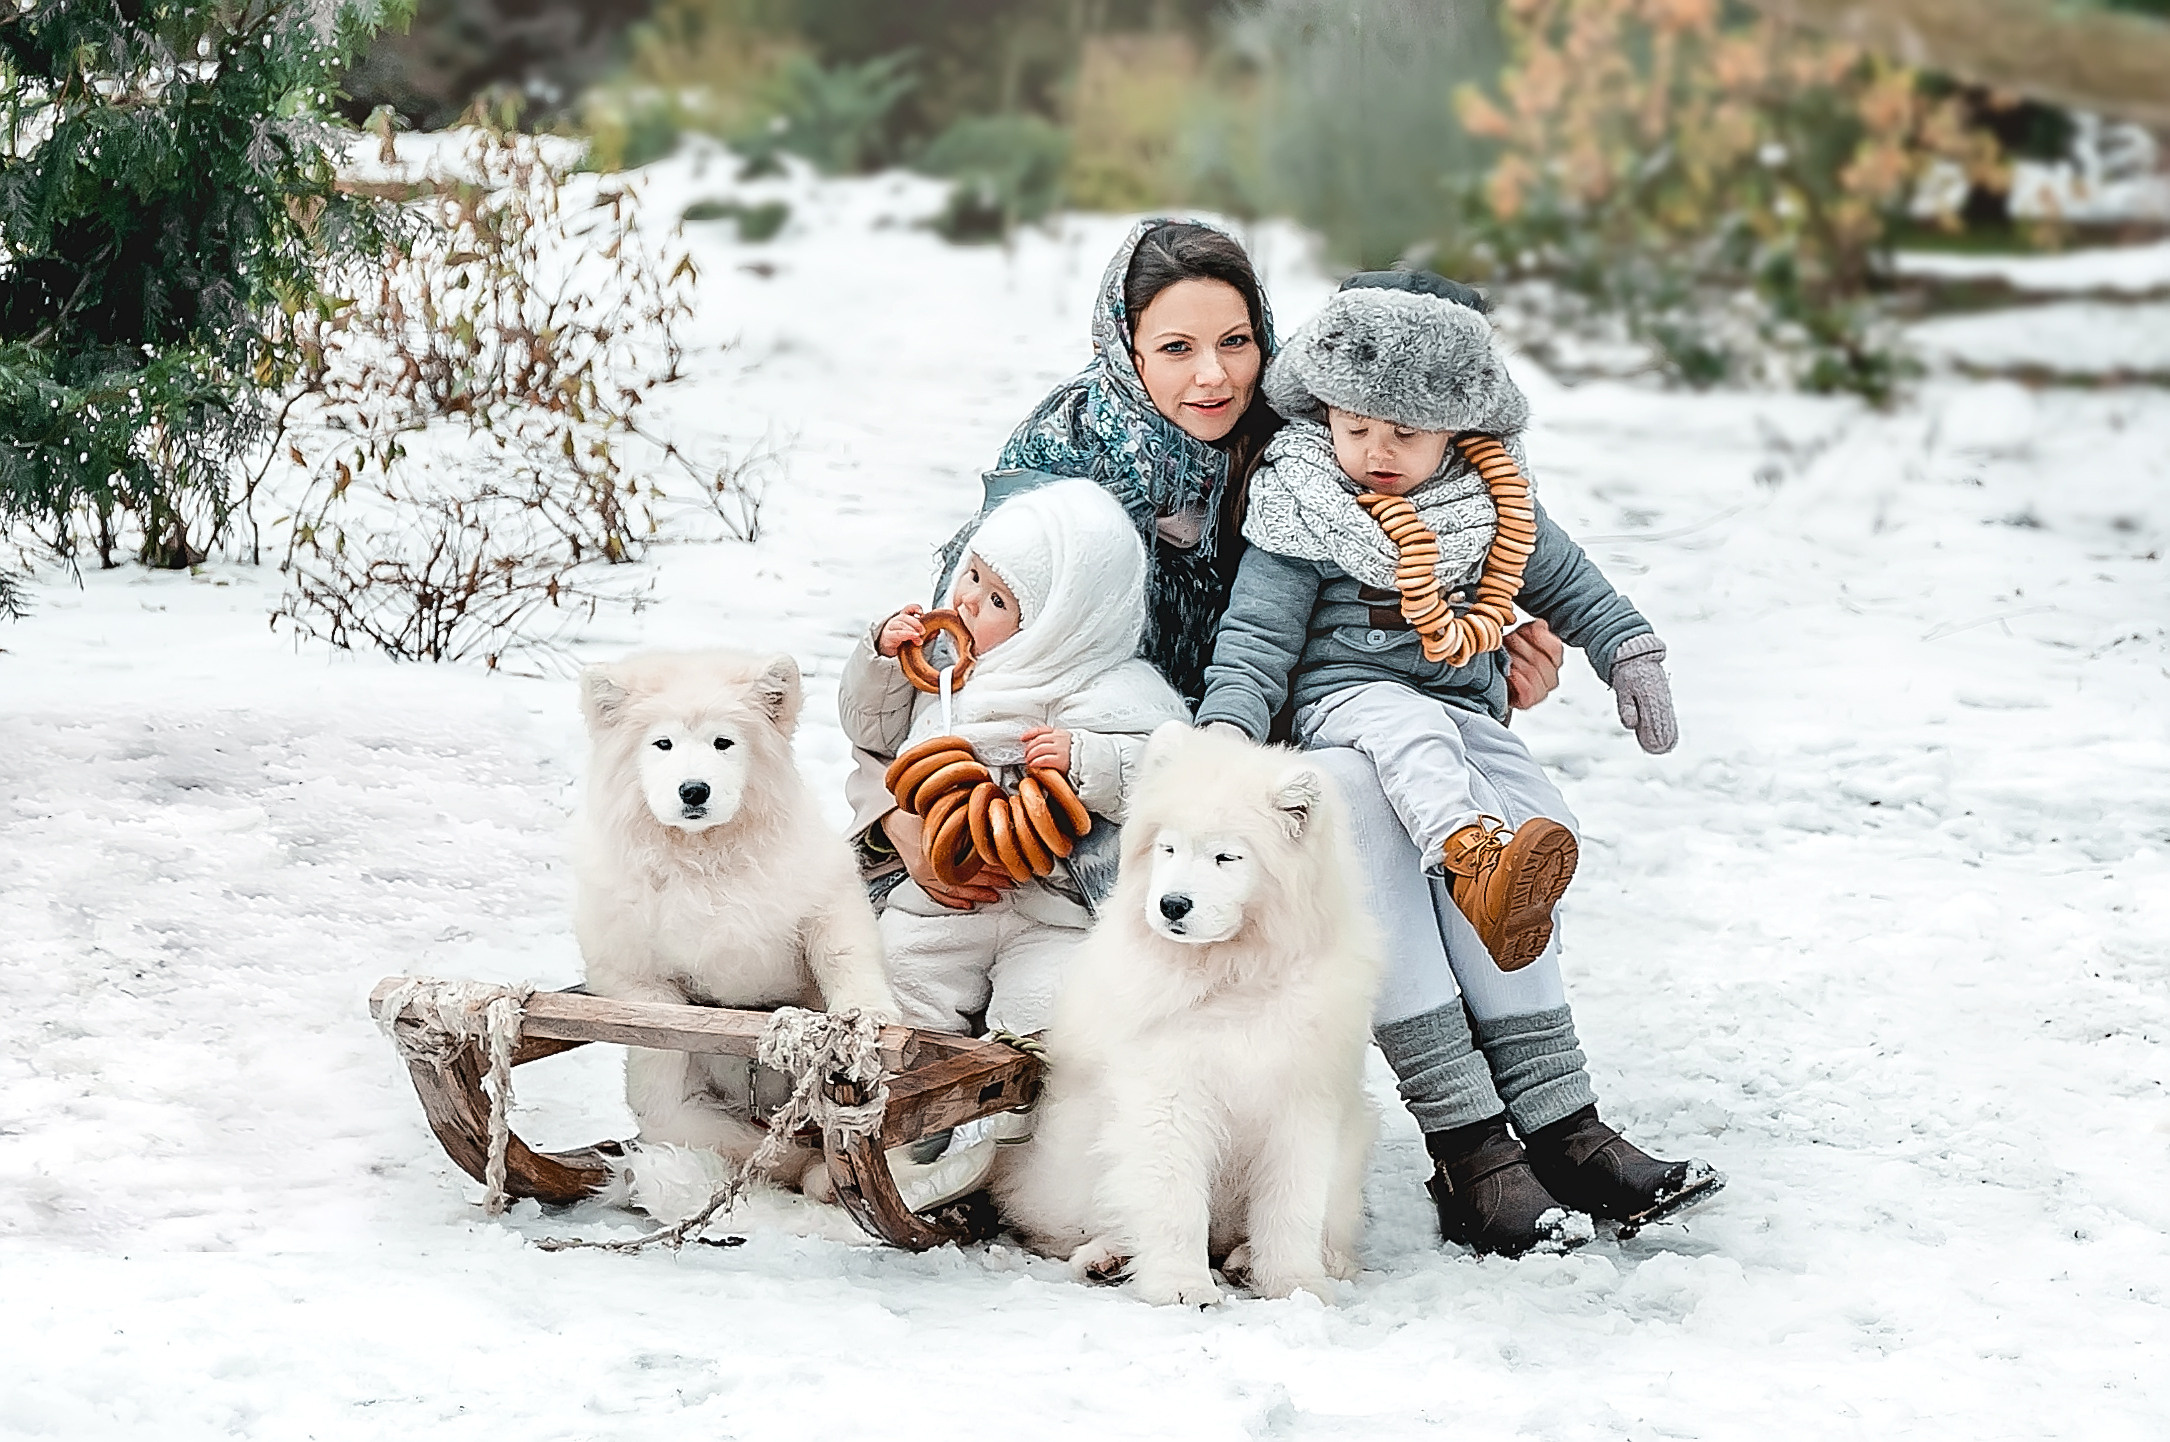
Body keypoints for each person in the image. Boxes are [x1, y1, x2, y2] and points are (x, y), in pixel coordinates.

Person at [845, 219, 1709, 1257]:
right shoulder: (1054, 483)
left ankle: (1558, 1124)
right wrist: (901, 818)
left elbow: (1401, 622)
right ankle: (1472, 1141)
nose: (1212, 376)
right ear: (1122, 345)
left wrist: (1489, 669)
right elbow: (940, 685)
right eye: (1174, 348)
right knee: (1352, 793)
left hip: (1266, 769)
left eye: (1237, 340)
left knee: (1438, 815)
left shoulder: (1313, 445)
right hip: (1077, 826)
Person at [1197, 276, 1678, 970]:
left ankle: (1514, 901)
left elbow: (1570, 583)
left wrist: (1629, 652)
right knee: (1414, 736)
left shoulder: (1493, 501)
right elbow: (1256, 637)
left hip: (1463, 699)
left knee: (1531, 799)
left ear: (1456, 427)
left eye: (1405, 433)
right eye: (1355, 428)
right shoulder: (1304, 501)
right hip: (1351, 692)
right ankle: (1471, 863)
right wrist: (1227, 730)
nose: (1377, 454)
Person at [839, 479, 1188, 1036]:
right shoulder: (945, 668)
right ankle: (906, 1107)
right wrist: (880, 660)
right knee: (900, 977)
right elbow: (868, 729)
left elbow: (1166, 770)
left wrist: (1088, 758)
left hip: (1054, 906)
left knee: (1046, 1005)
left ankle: (1022, 1116)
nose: (967, 601)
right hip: (942, 894)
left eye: (998, 599)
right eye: (972, 574)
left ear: (1059, 621)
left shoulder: (1110, 688)